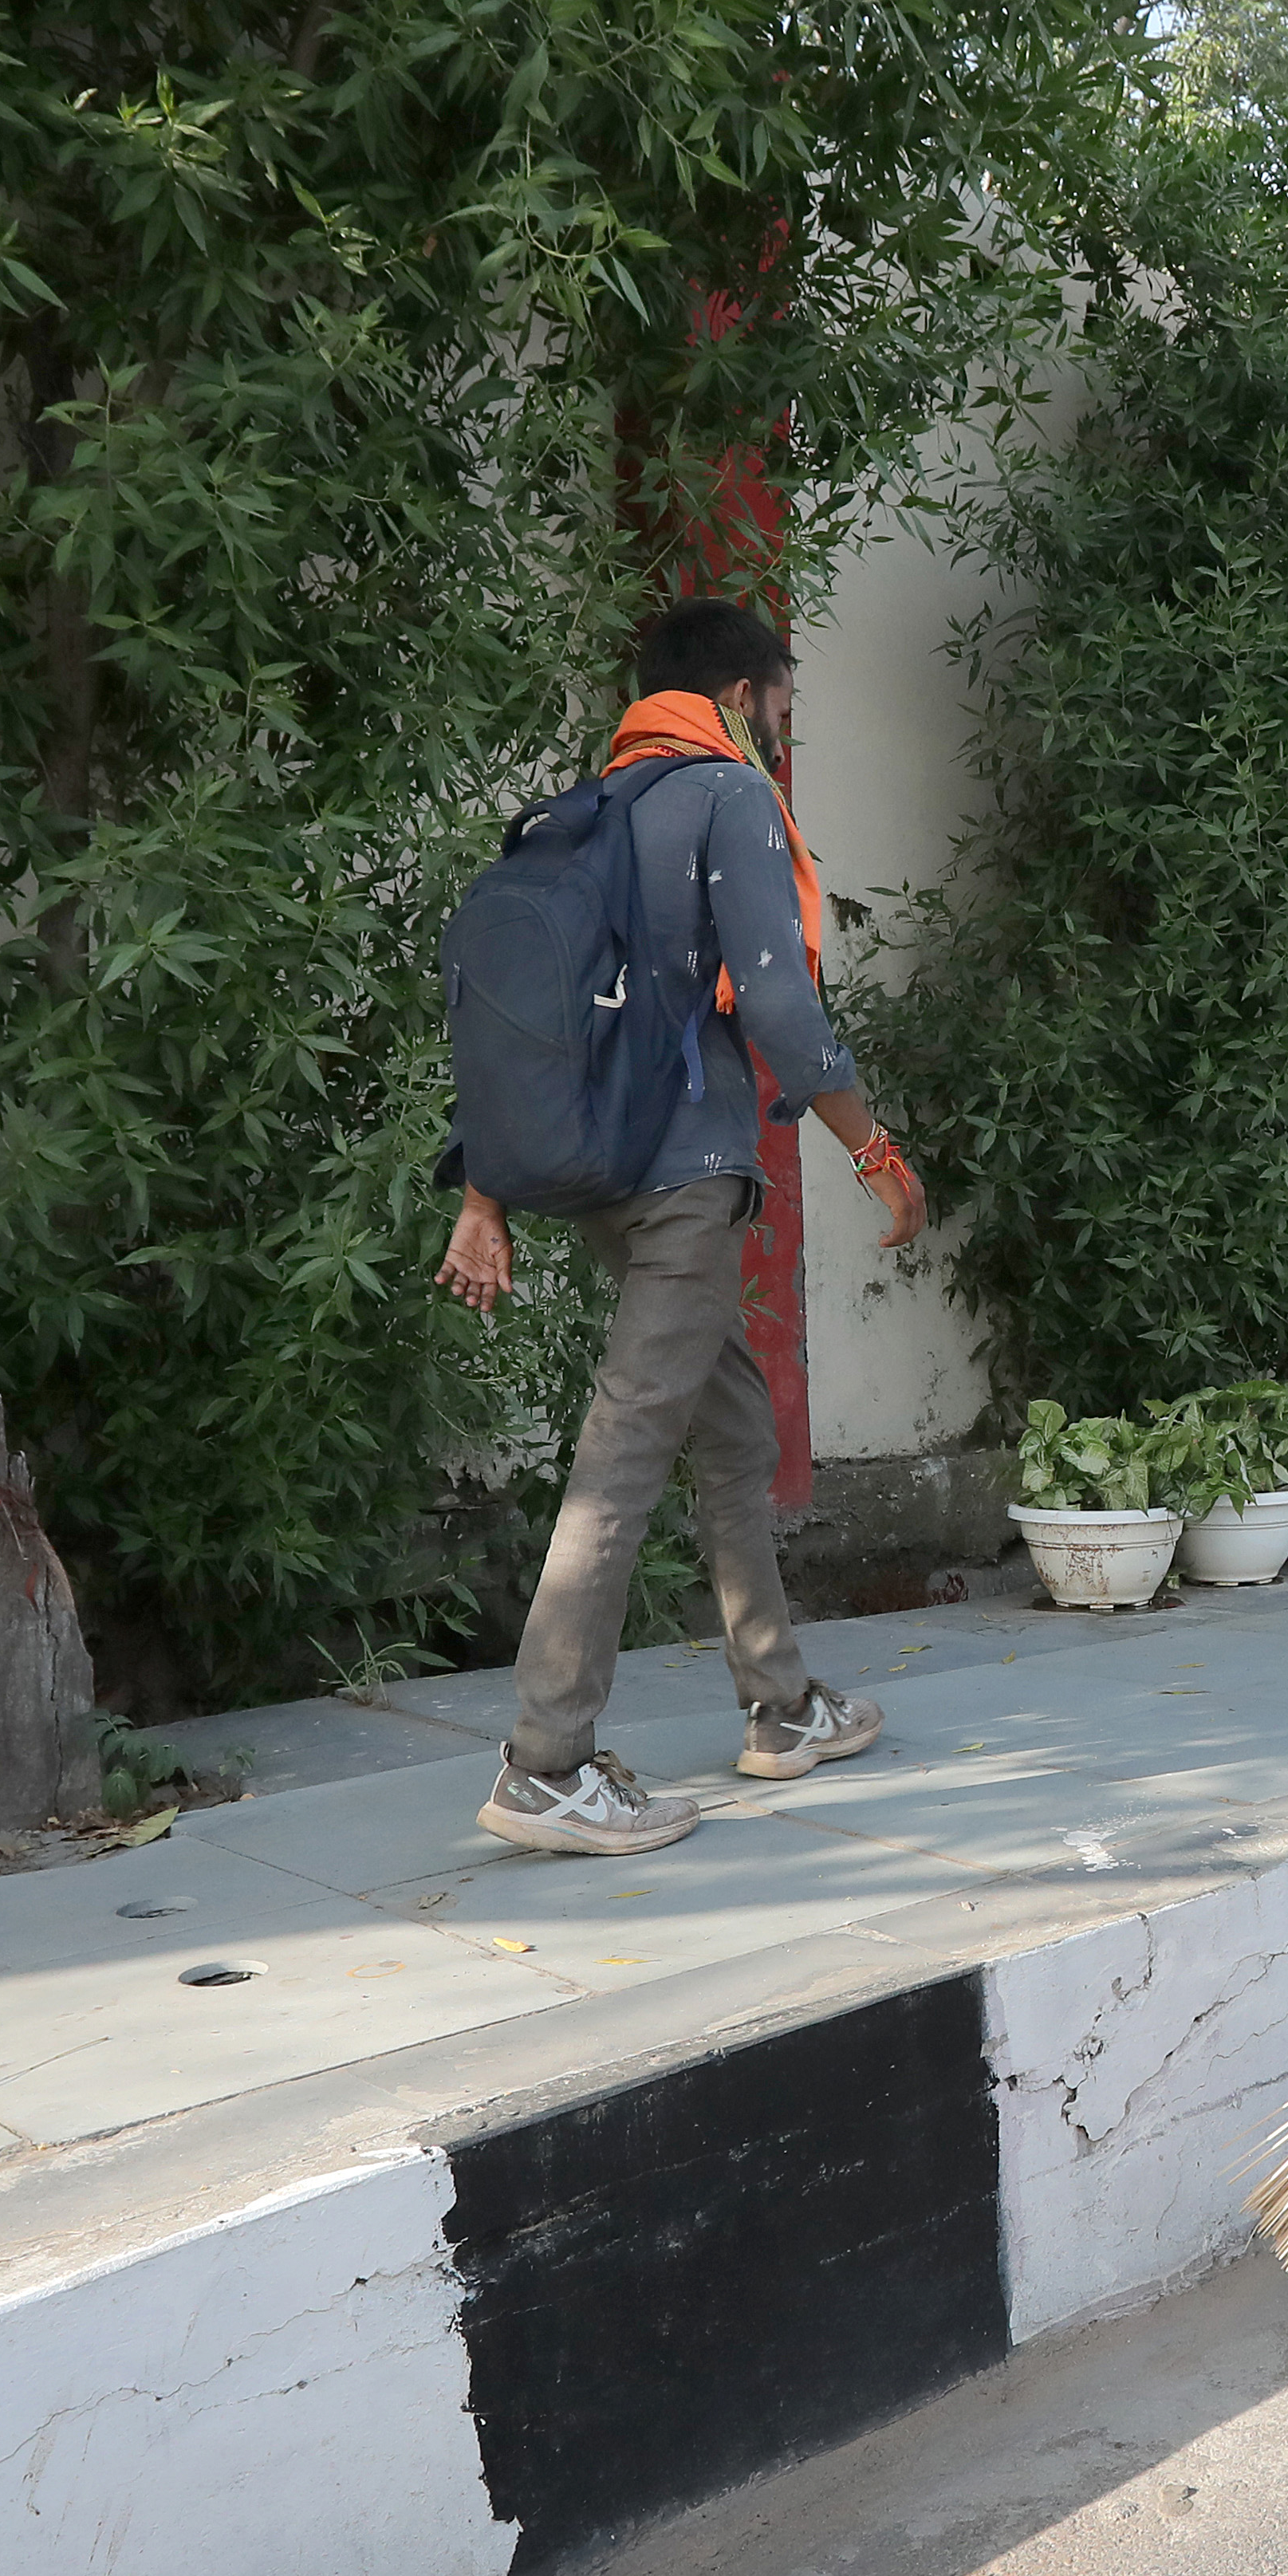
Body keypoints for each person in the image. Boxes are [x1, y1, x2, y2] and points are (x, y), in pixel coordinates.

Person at [432, 600, 930, 1857]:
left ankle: (782, 1703)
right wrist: (871, 1147)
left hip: (599, 1176)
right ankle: (546, 1760)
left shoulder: (588, 817)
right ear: (746, 695)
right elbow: (778, 1003)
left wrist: (484, 1192)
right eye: (783, 706)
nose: (782, 728)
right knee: (627, 1448)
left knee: (730, 1421)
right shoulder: (724, 796)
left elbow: (519, 1026)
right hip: (687, 1178)